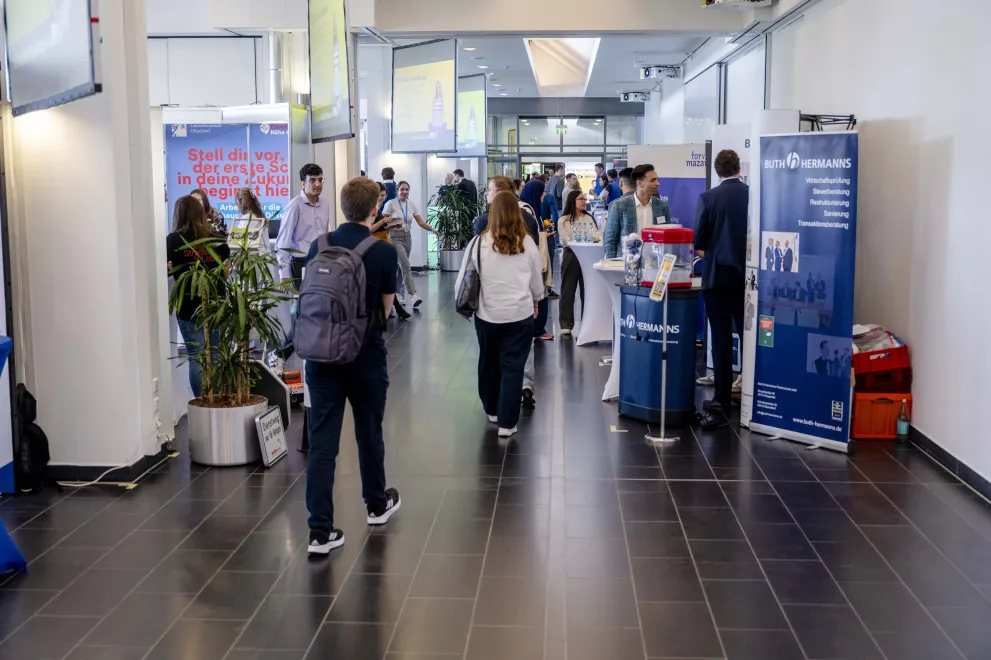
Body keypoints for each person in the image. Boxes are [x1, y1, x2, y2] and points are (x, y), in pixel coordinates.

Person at [304, 177, 403, 555]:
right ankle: (376, 504)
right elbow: (387, 308)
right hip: (364, 355)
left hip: (320, 356)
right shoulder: (381, 251)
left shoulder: (319, 245)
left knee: (322, 444)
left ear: (343, 207)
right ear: (374, 209)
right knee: (368, 431)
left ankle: (319, 532)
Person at [457, 191, 543, 438]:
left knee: (489, 361)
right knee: (513, 366)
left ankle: (492, 409)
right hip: (519, 315)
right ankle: (507, 423)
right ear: (518, 214)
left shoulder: (478, 242)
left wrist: (463, 306)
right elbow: (537, 282)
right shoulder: (527, 243)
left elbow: (464, 277)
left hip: (487, 314)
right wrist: (536, 299)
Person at [694, 149, 749, 419]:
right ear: (739, 167)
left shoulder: (708, 197)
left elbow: (699, 239)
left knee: (721, 337)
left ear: (717, 171)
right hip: (748, 278)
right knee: (750, 336)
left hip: (717, 276)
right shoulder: (753, 194)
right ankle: (753, 393)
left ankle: (722, 398)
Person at [166, 196, 231, 398]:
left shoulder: (173, 240)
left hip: (188, 303)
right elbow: (226, 271)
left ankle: (201, 402)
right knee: (215, 354)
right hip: (216, 303)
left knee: (196, 357)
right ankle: (216, 399)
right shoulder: (217, 238)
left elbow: (168, 269)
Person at [384, 181, 440, 309]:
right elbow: (383, 223)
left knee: (400, 267)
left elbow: (420, 222)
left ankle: (397, 294)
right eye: (402, 189)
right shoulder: (390, 204)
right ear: (397, 190)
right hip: (394, 237)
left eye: (407, 189)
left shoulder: (411, 204)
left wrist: (432, 229)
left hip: (407, 237)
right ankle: (413, 294)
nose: (404, 192)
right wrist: (392, 225)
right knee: (406, 265)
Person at [276, 164, 331, 287]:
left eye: (320, 179)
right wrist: (283, 274)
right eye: (312, 180)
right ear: (303, 184)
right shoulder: (294, 206)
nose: (317, 184)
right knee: (303, 302)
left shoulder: (325, 204)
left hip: (321, 260)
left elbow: (325, 232)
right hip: (301, 262)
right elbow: (283, 241)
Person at [603, 164, 671, 258]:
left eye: (657, 179)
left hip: (654, 264)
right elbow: (610, 241)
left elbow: (667, 239)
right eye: (652, 180)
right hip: (626, 264)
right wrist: (613, 265)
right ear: (639, 183)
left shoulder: (662, 206)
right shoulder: (619, 205)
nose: (657, 183)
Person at [558, 190, 600, 336]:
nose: (583, 201)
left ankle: (587, 322)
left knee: (586, 291)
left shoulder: (589, 218)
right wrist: (583, 237)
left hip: (588, 256)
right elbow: (565, 239)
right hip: (571, 255)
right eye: (580, 199)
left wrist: (585, 238)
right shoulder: (563, 220)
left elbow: (597, 236)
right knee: (567, 290)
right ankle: (566, 324)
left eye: (584, 199)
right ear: (572, 201)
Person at [371, 183, 412, 320]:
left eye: (384, 196)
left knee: (386, 278)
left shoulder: (376, 208)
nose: (383, 198)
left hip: (382, 242)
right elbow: (369, 229)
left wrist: (392, 226)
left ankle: (392, 309)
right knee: (390, 275)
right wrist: (383, 220)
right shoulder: (371, 209)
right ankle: (398, 307)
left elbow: (379, 229)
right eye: (381, 195)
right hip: (374, 246)